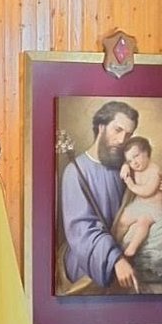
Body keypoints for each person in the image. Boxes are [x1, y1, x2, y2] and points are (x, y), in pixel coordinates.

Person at [59, 100, 142, 292]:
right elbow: (81, 229)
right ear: (101, 127)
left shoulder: (125, 168)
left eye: (128, 134)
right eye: (117, 130)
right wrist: (115, 259)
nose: (122, 140)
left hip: (126, 256)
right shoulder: (75, 171)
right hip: (89, 263)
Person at [115, 136, 162, 258]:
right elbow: (128, 161)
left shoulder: (155, 171)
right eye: (130, 161)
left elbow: (147, 192)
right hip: (140, 205)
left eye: (136, 156)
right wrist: (125, 165)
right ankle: (115, 243)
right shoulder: (135, 167)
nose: (133, 162)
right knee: (122, 221)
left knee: (143, 222)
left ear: (147, 153)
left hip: (154, 208)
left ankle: (131, 249)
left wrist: (131, 185)